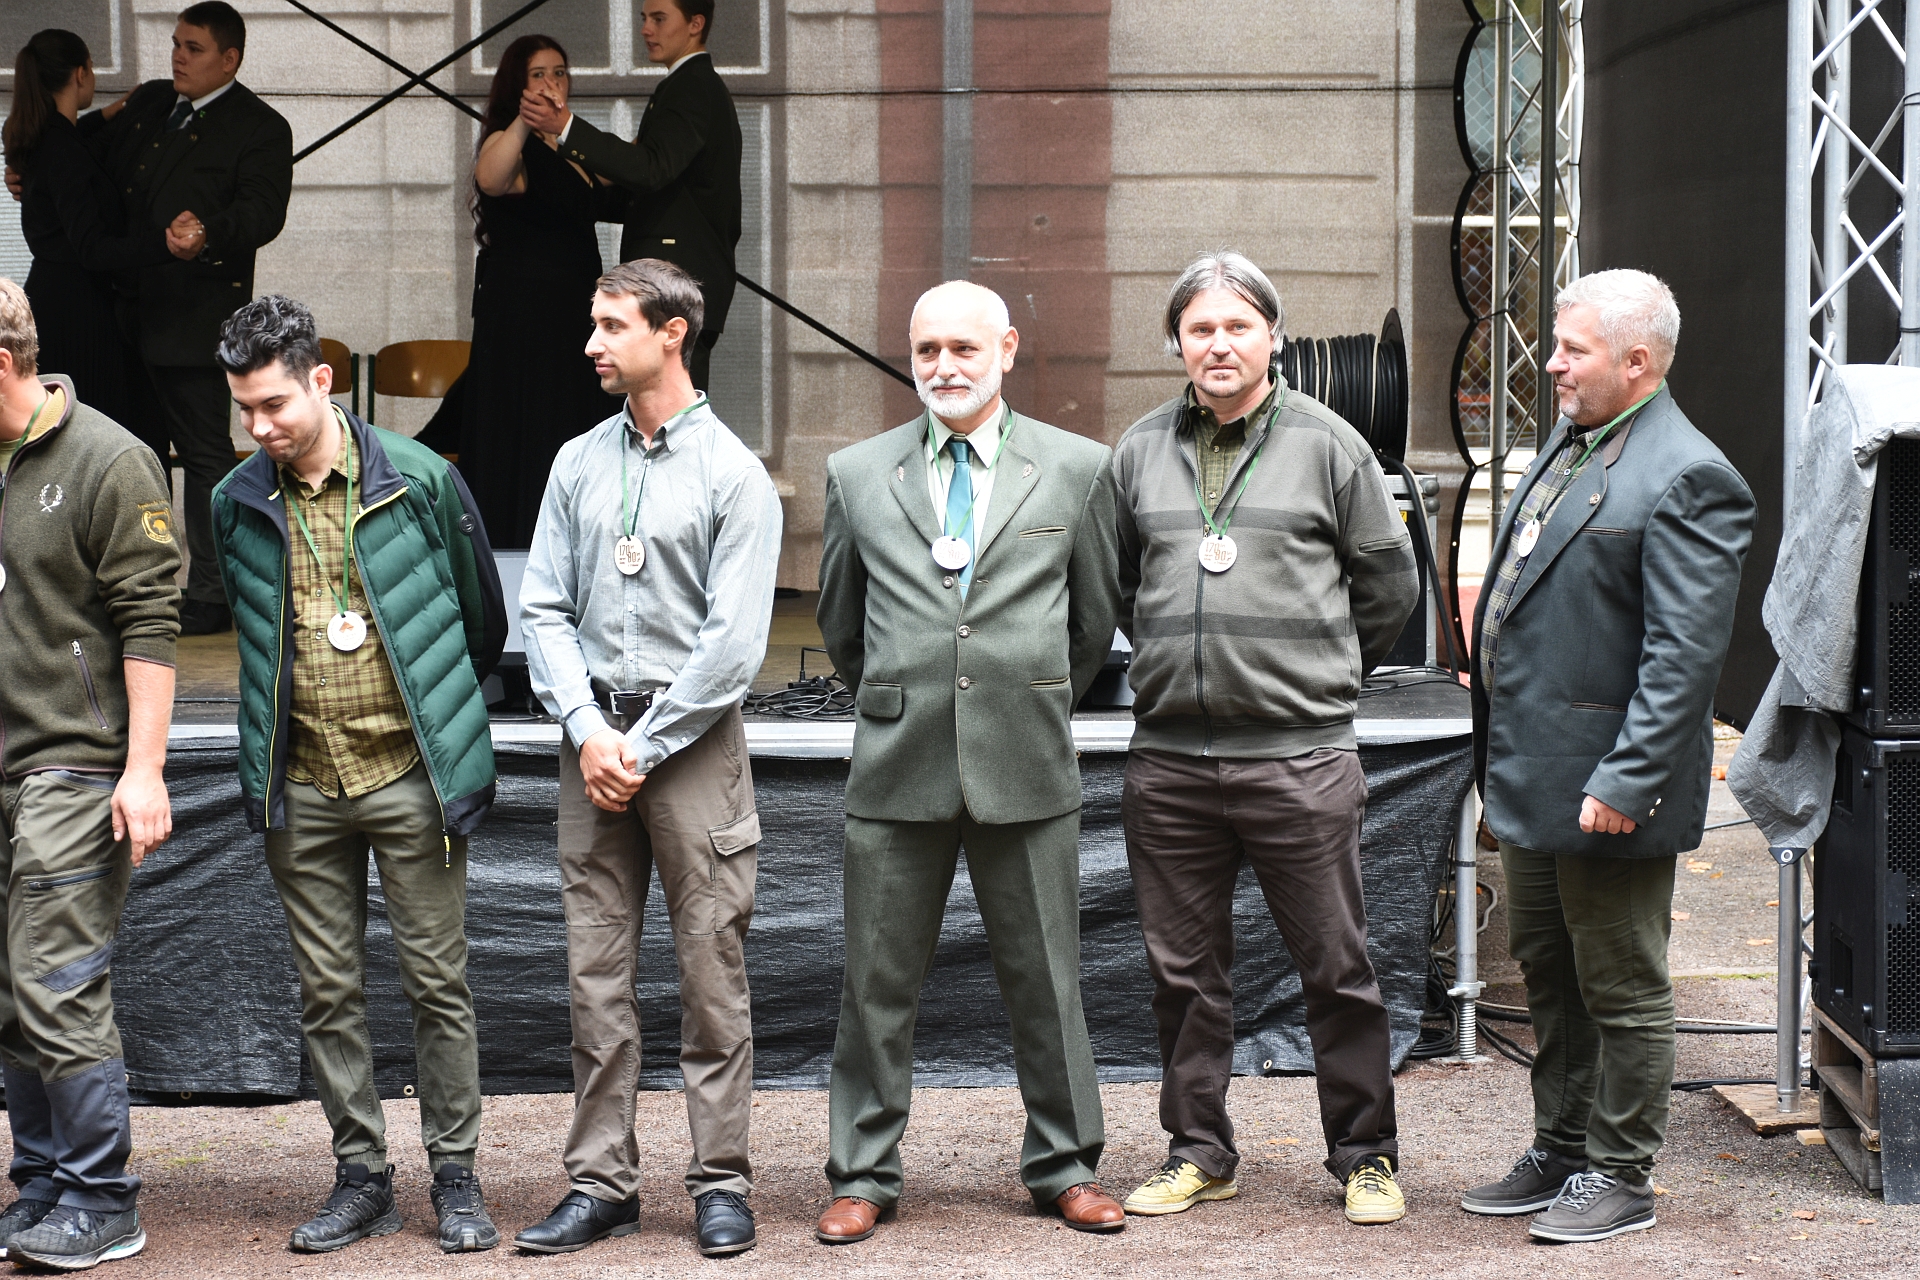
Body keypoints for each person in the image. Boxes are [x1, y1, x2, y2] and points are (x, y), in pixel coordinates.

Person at [1110, 252, 1419, 1228]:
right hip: (1171, 764)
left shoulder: (1331, 445)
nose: (1219, 344)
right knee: (1183, 976)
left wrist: (1316, 676)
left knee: (1337, 965)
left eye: (1237, 325)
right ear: (1177, 343)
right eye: (1200, 328)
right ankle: (1199, 1150)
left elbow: (1389, 587)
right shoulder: (1138, 451)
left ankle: (1365, 1155)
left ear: (1272, 337)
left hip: (1301, 758)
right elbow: (1120, 585)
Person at [812, 280, 1124, 1244]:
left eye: (964, 348)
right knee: (874, 986)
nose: (944, 366)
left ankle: (1066, 1166)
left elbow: (1092, 624)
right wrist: (911, 692)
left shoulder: (1078, 468)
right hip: (897, 761)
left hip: (1025, 760)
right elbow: (842, 626)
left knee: (1048, 981)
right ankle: (862, 1174)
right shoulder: (857, 472)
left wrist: (1013, 694)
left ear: (1007, 349)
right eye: (927, 350)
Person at [207, 296, 506, 1256]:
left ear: (322, 382)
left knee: (437, 982)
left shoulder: (419, 478)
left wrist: (440, 727)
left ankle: (455, 1177)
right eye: (244, 410)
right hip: (301, 780)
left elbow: (478, 618)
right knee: (326, 990)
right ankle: (361, 1176)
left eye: (275, 404)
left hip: (410, 774)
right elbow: (253, 632)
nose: (259, 427)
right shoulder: (233, 501)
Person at [1461, 270, 1753, 1243]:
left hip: (1609, 785)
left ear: (1636, 361)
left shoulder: (1692, 475)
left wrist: (1628, 779)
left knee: (1621, 982)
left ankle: (1621, 1173)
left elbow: (1684, 658)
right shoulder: (1579, 435)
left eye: (1571, 349)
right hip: (1535, 772)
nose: (1551, 364)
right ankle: (1561, 1148)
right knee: (1549, 968)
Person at [518, 259, 780, 1258]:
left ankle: (721, 1182)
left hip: (692, 745)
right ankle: (601, 1183)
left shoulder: (734, 473)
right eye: (593, 323)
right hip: (594, 744)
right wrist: (589, 729)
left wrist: (639, 741)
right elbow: (543, 606)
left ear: (673, 333)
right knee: (595, 975)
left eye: (612, 325)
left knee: (712, 970)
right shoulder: (577, 461)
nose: (591, 342)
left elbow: (733, 647)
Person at [0, 279, 178, 1270]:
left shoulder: (110, 459)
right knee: (8, 984)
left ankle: (103, 1197)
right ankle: (42, 1185)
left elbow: (150, 623)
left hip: (74, 761)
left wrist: (144, 769)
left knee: (54, 978)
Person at [89, 2, 293, 636]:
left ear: (230, 59)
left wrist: (208, 232)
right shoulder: (155, 102)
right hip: (122, 309)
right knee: (130, 456)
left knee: (203, 455)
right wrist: (37, 175)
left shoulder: (259, 126)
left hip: (194, 316)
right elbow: (97, 159)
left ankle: (211, 590)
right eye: (176, 43)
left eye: (194, 48)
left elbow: (263, 212)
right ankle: (137, 583)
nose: (178, 56)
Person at [520, 0, 741, 392]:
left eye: (659, 18)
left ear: (695, 24)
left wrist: (566, 127)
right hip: (673, 279)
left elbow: (651, 169)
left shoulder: (691, 85)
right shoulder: (684, 84)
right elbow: (655, 186)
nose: (645, 29)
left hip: (675, 282)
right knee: (657, 404)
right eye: (643, 19)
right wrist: (572, 191)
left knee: (671, 406)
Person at [459, 34, 620, 549]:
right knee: (526, 421)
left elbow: (621, 175)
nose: (552, 82)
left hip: (574, 309)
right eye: (538, 74)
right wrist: (526, 122)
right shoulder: (508, 139)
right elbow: (490, 178)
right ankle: (516, 541)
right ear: (517, 85)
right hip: (523, 315)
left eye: (559, 72)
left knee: (572, 419)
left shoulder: (572, 145)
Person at [4, 30, 197, 439]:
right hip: (78, 311)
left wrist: (109, 113)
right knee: (96, 428)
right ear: (81, 73)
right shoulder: (64, 150)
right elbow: (92, 248)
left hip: (55, 300)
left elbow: (73, 134)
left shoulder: (40, 139)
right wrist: (165, 242)